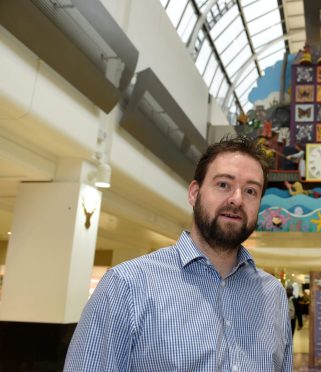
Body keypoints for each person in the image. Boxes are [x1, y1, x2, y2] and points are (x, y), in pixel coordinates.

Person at [65, 136, 293, 372]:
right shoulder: (127, 286)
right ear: (194, 193)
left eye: (250, 191)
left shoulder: (272, 296)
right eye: (223, 184)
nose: (237, 199)